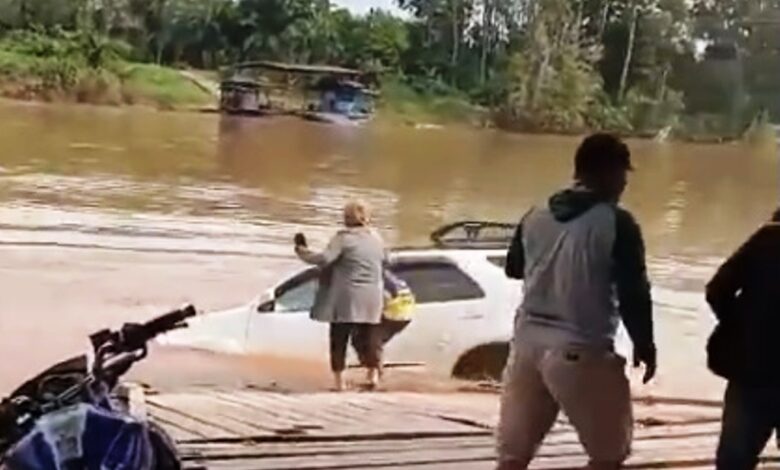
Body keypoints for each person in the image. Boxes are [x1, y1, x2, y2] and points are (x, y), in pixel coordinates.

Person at [496, 133, 656, 470]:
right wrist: (645, 343)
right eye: (622, 174)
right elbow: (634, 291)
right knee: (608, 456)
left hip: (526, 345)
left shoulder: (535, 214)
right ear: (608, 172)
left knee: (513, 457)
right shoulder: (617, 222)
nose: (624, 183)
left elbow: (514, 268)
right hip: (582, 349)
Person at [706, 208, 780, 469]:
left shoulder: (768, 239)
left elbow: (716, 290)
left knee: (734, 460)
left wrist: (740, 327)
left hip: (752, 368)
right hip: (754, 368)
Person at [295, 201, 386, 391]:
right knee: (370, 337)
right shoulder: (377, 237)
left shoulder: (343, 238)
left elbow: (324, 259)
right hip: (373, 295)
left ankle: (340, 382)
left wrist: (302, 252)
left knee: (339, 337)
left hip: (347, 296)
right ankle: (373, 375)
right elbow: (387, 259)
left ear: (346, 217)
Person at [352, 268, 416, 373]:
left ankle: (375, 373)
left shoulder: (377, 280)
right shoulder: (390, 277)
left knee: (371, 340)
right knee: (372, 340)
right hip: (405, 314)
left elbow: (384, 297)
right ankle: (373, 369)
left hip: (393, 314)